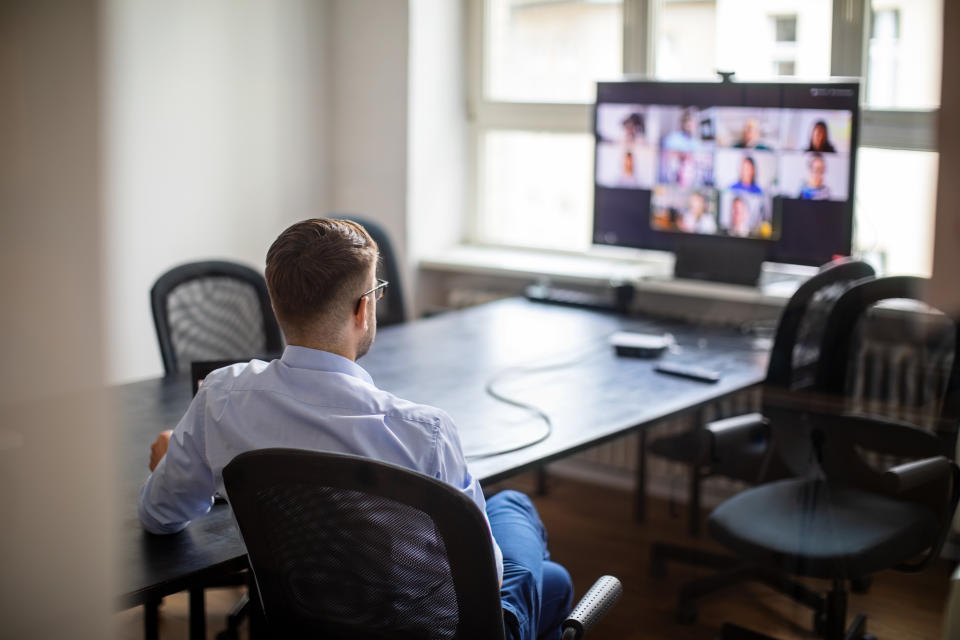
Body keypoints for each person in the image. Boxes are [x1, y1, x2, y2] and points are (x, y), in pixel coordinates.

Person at [139, 218, 574, 640]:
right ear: (363, 308)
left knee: (549, 577)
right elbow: (487, 576)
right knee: (518, 515)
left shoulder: (222, 397)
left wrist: (169, 466)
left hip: (315, 622)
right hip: (433, 629)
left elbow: (158, 518)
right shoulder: (424, 432)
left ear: (275, 305)